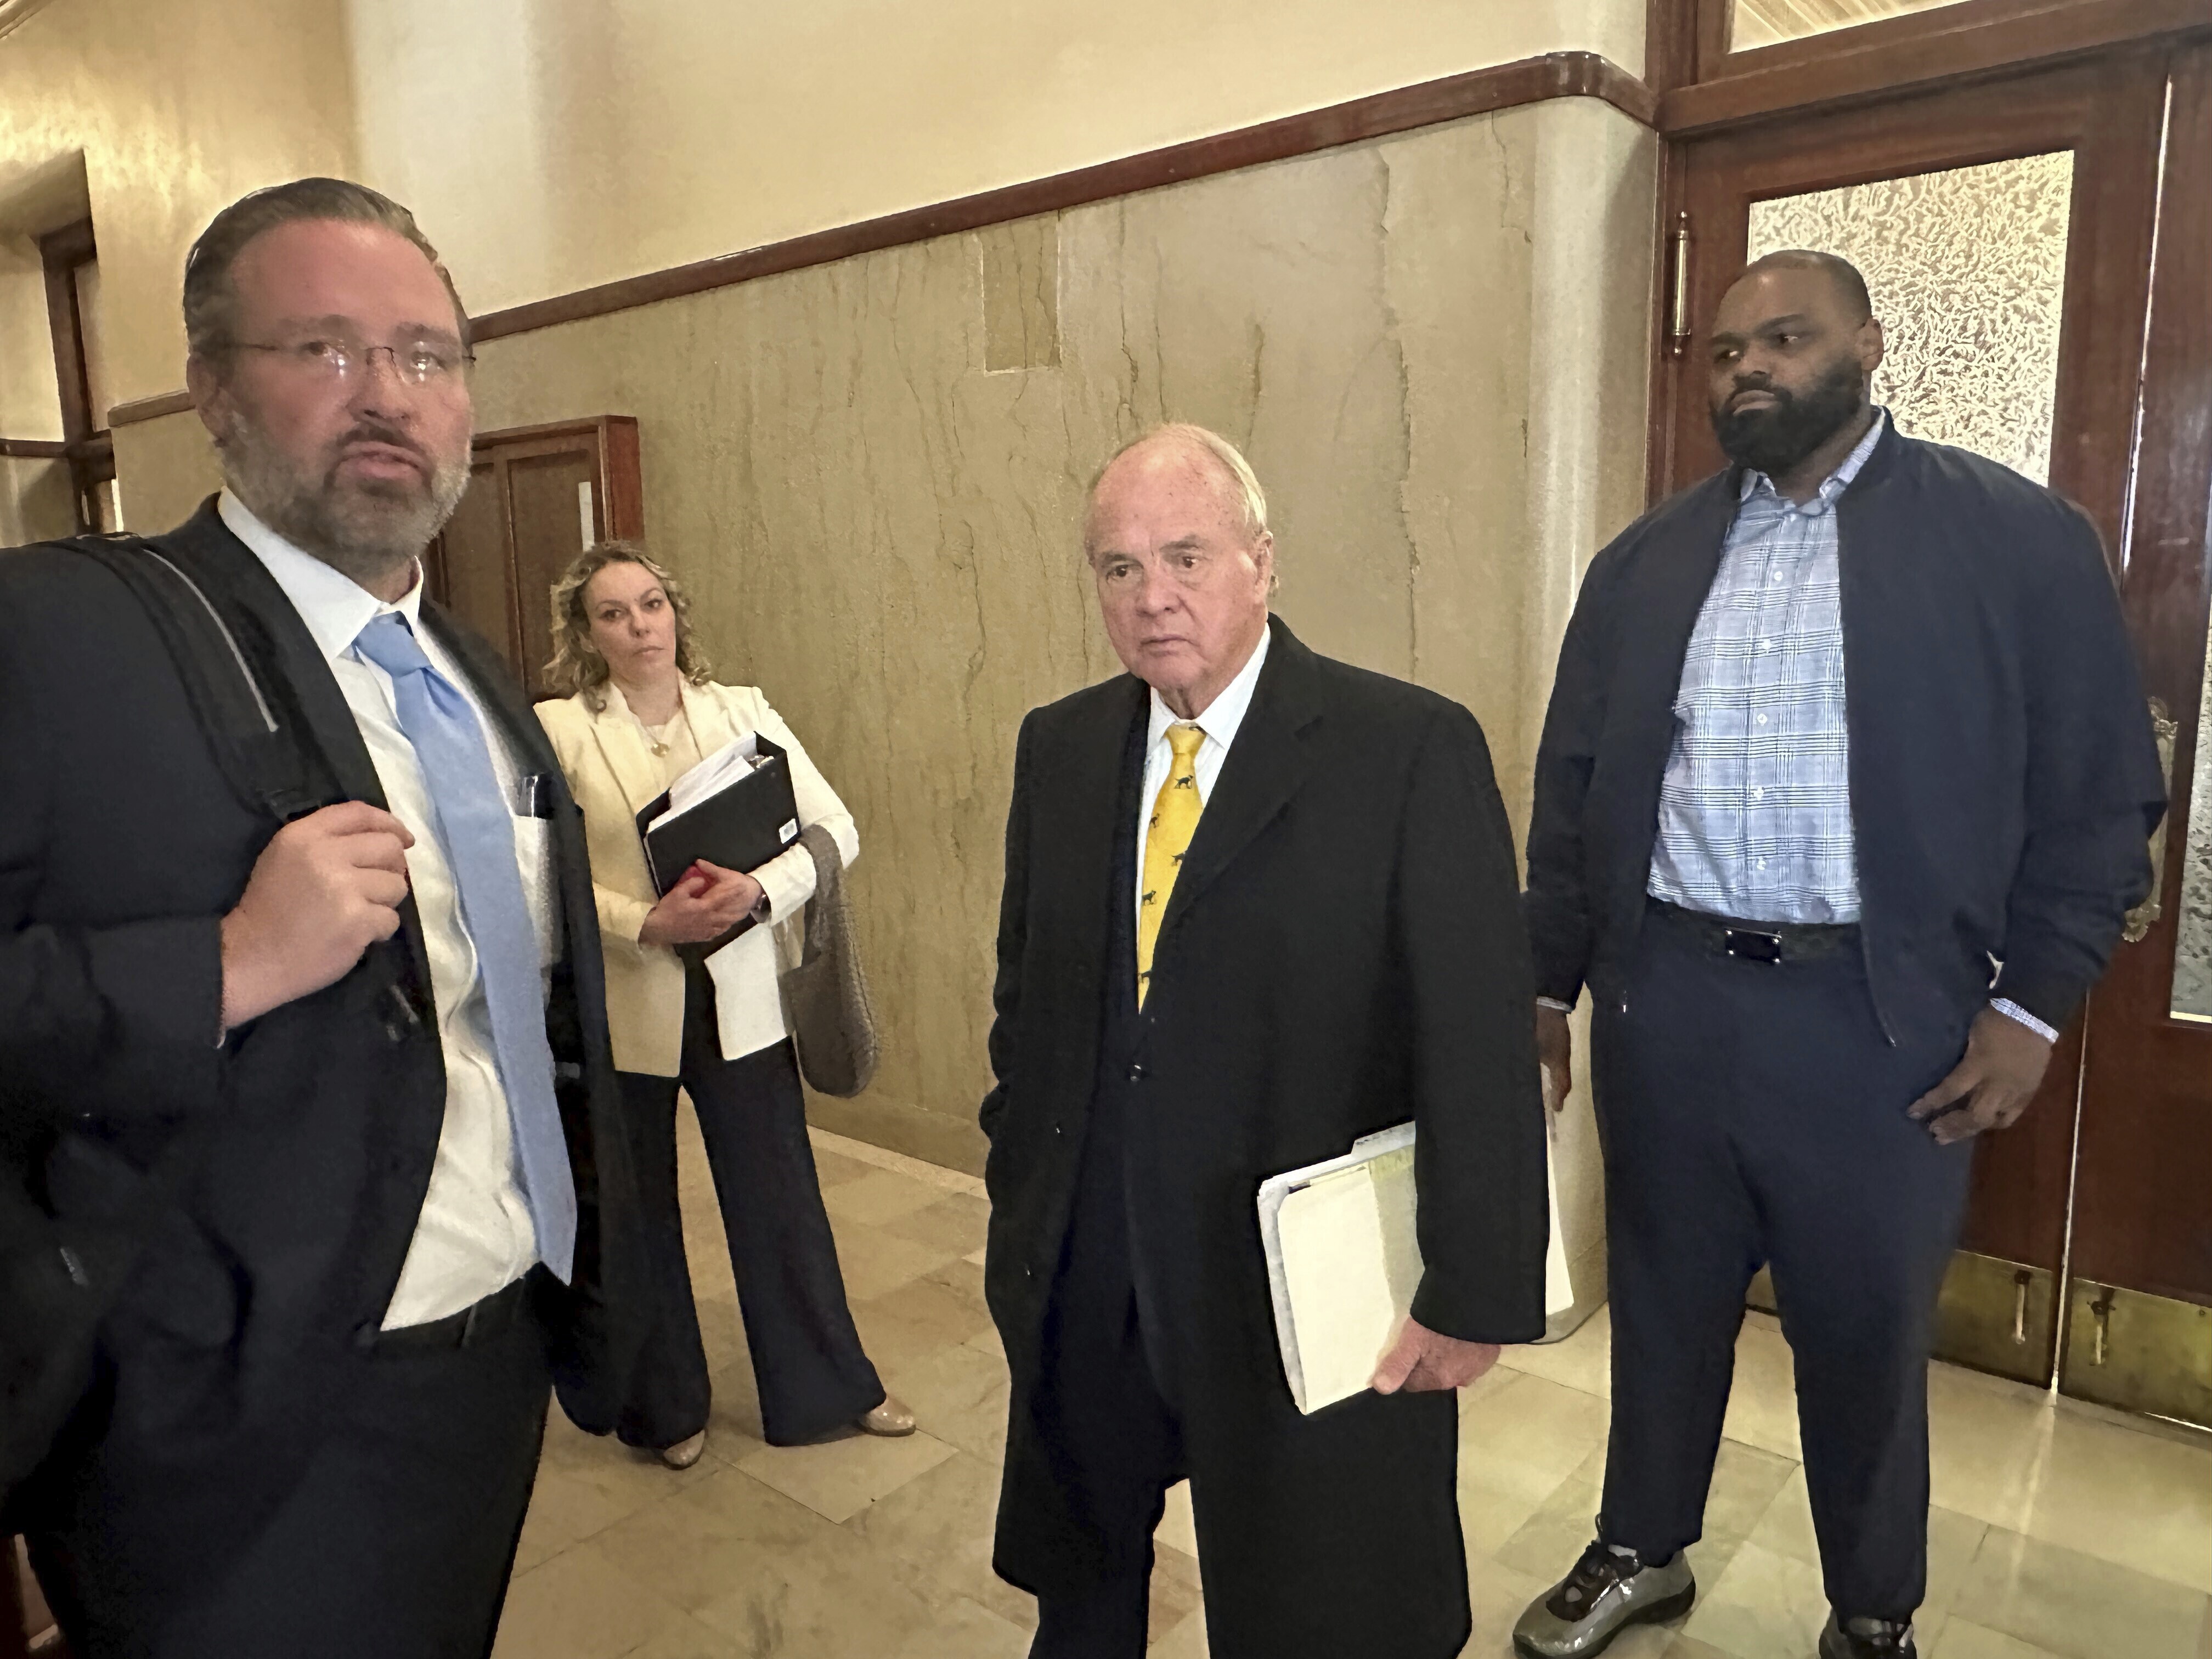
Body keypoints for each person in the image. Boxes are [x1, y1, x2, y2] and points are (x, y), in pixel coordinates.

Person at [0, 178, 648, 1656]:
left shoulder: (480, 686)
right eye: (325, 350)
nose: (387, 398)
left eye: (426, 356)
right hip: (230, 1431)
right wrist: (221, 969)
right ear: (214, 390)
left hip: (491, 1359)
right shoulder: (61, 639)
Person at [1512, 252, 2165, 1659]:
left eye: (1786, 339)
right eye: (1725, 350)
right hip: (1668, 999)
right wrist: (1545, 982)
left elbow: (2104, 793)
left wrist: (2035, 1008)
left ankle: (1873, 1608)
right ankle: (1644, 1546)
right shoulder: (1646, 564)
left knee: (1863, 1337)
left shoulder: (2014, 540)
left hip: (1881, 1020)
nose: (1747, 367)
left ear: (1869, 345)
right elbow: (1573, 787)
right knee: (1667, 1297)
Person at [979, 424, 1549, 1659]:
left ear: (1263, 562)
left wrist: (1477, 1282)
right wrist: (1018, 1183)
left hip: (1297, 1271)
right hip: (1095, 1264)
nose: (1153, 597)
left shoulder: (1403, 749)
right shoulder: (1062, 749)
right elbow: (1030, 996)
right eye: (1118, 568)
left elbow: (1478, 1043)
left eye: (1185, 555)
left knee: (1313, 1603)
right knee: (1082, 1588)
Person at [536, 541, 911, 1465]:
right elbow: (541, 877)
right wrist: (643, 924)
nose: (639, 626)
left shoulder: (742, 712)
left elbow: (836, 827)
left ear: (677, 613)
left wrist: (761, 894)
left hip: (741, 1001)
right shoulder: (559, 730)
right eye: (614, 613)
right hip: (631, 1006)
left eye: (652, 605)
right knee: (640, 1215)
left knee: (779, 1196)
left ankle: (825, 1388)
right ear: (587, 634)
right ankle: (667, 1411)